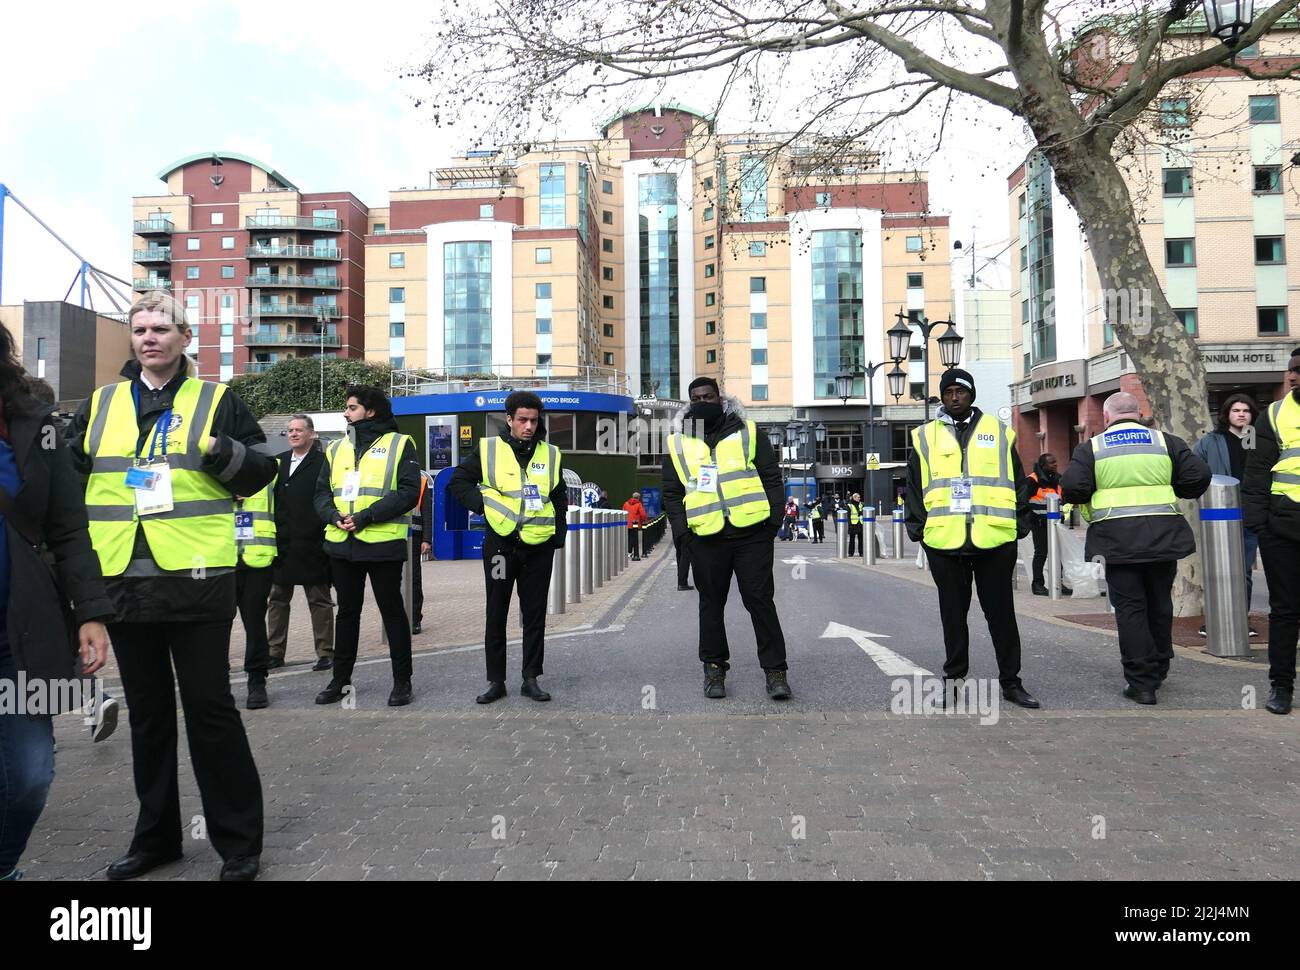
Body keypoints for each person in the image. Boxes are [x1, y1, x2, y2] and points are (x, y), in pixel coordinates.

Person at [69, 290, 276, 881]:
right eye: (140, 330)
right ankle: (156, 839)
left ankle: (238, 845)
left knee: (210, 711)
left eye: (161, 327)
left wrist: (219, 450)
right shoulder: (101, 403)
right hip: (123, 583)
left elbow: (263, 470)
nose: (149, 337)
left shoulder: (216, 400)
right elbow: (70, 485)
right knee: (148, 717)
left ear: (186, 338)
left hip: (198, 581)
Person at [0, 325, 113, 881]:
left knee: (30, 775)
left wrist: (90, 612)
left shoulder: (38, 428)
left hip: (19, 635)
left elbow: (69, 528)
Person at [1063, 391, 1211, 705]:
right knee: (1159, 602)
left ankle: (1141, 683)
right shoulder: (1164, 442)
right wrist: (1174, 487)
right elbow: (1199, 475)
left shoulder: (1092, 448)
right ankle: (1159, 666)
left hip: (1118, 541)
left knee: (1130, 608)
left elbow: (1074, 488)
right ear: (1139, 413)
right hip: (1162, 536)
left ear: (1106, 417)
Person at [905, 368, 1041, 709]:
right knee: (953, 616)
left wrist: (1018, 526)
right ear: (942, 395)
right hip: (944, 542)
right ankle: (952, 683)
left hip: (994, 540)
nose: (954, 397)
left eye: (960, 391)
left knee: (1002, 615)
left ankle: (1011, 682)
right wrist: (919, 531)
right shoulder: (924, 437)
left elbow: (1018, 483)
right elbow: (913, 489)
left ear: (971, 395)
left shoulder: (999, 432)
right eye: (948, 391)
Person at [664, 377, 790, 700]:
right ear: (689, 403)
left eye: (708, 396)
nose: (703, 401)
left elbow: (771, 477)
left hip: (752, 535)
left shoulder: (747, 431)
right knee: (710, 606)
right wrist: (684, 536)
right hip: (706, 538)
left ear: (721, 398)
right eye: (696, 398)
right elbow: (672, 494)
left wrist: (772, 525)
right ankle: (714, 670)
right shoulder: (679, 442)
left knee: (760, 601)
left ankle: (776, 672)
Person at [448, 391, 568, 703]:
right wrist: (485, 508)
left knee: (535, 614)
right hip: (501, 547)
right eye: (523, 420)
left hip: (537, 549)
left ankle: (531, 678)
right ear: (509, 419)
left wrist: (558, 538)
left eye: (534, 420)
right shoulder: (489, 449)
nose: (529, 426)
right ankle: (496, 681)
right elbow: (458, 482)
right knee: (496, 612)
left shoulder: (551, 454)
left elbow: (558, 498)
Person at [314, 386, 420, 707]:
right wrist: (334, 516)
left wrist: (365, 517)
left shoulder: (400, 444)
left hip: (382, 543)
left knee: (393, 614)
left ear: (370, 411)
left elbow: (408, 493)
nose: (346, 413)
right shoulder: (335, 449)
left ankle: (402, 682)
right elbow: (320, 493)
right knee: (347, 614)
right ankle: (340, 680)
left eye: (351, 408)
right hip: (342, 544)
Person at [27, 375, 119, 742]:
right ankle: (92, 698)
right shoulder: (58, 442)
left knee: (40, 651)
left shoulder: (39, 446)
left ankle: (89, 699)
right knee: (58, 641)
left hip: (43, 562)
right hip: (67, 563)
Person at [1242, 350, 1300, 715]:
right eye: (1292, 369)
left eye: (1299, 370)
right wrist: (1259, 526)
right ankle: (1281, 686)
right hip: (1283, 530)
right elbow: (1257, 472)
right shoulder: (1275, 414)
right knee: (1285, 612)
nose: (1293, 376)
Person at [268, 415, 334, 671]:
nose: (293, 434)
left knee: (319, 601)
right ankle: (274, 652)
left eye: (299, 430)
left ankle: (325, 652)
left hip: (313, 543)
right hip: (283, 544)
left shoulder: (322, 463)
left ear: (311, 434)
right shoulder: (278, 462)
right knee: (277, 601)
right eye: (290, 431)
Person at [1193, 393, 1260, 637]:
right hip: (1220, 513)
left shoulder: (1255, 439)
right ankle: (1215, 620)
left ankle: (1241, 619)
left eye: (1246, 410)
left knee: (1243, 570)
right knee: (1219, 569)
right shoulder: (1212, 440)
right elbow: (1194, 468)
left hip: (1250, 513)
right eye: (1236, 410)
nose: (1241, 414)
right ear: (1226, 414)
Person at [234, 474, 277, 710]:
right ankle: (217, 682)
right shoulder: (210, 466)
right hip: (218, 558)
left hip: (257, 558)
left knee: (255, 623)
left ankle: (257, 681)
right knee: (214, 627)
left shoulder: (267, 471)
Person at [1025, 453, 1071, 597]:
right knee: (1041, 553)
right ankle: (1037, 585)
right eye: (1052, 463)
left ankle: (1058, 582)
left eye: (1055, 462)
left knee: (1057, 553)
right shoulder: (1032, 480)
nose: (1055, 465)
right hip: (1039, 522)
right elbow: (1024, 501)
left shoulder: (1058, 479)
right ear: (1043, 465)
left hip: (1056, 522)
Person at [410, 470, 433, 633]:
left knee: (414, 579)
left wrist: (426, 539)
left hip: (415, 537)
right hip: (392, 535)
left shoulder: (421, 480)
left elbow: (427, 512)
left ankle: (415, 619)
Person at [623, 490, 647, 560]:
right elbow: (643, 514)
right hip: (635, 524)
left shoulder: (626, 503)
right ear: (638, 498)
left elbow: (623, 511)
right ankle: (632, 553)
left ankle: (629, 552)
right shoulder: (638, 504)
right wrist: (643, 521)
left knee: (629, 537)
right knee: (634, 538)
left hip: (626, 523)